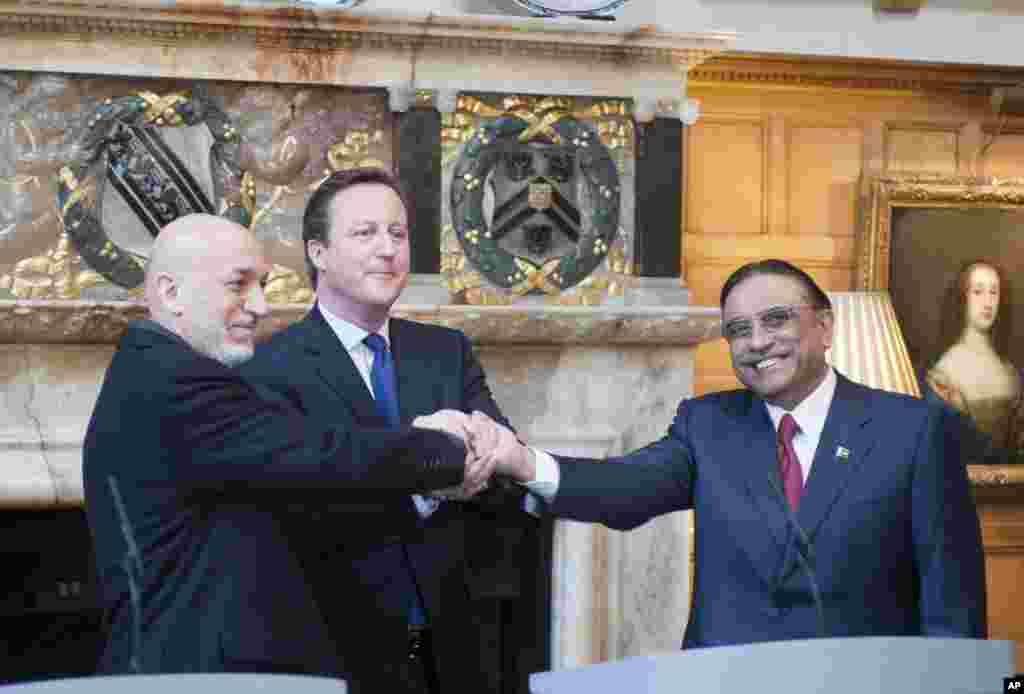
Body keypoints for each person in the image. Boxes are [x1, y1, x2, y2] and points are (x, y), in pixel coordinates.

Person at [493, 258, 987, 647]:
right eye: (738, 330)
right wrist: (524, 462)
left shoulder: (914, 429)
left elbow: (953, 599)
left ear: (825, 327)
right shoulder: (708, 424)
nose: (757, 342)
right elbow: (627, 487)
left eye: (776, 320)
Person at [83, 213, 489, 677]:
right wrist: (441, 448)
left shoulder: (166, 373)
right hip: (186, 676)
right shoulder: (170, 382)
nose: (260, 306)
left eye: (262, 285)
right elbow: (319, 454)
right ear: (171, 293)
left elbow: (298, 491)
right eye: (238, 284)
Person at [239, 167, 542, 694]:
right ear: (318, 252)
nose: (388, 249)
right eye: (365, 233)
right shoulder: (269, 368)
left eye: (397, 234)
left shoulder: (446, 351)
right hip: (339, 652)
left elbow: (504, 472)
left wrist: (472, 465)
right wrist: (425, 485)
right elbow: (297, 509)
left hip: (460, 648)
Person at [925, 260, 1024, 464]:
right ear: (963, 298)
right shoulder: (945, 371)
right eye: (978, 292)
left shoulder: (1009, 370)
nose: (988, 303)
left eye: (994, 292)